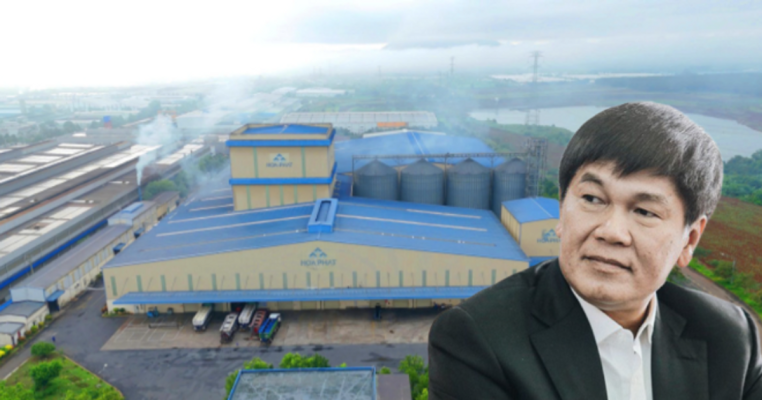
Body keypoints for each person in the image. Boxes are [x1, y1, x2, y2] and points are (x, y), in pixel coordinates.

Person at [428, 102, 762, 400]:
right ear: (562, 210)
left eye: (645, 212)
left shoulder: (728, 336)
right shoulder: (479, 338)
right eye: (592, 199)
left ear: (689, 241)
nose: (611, 232)